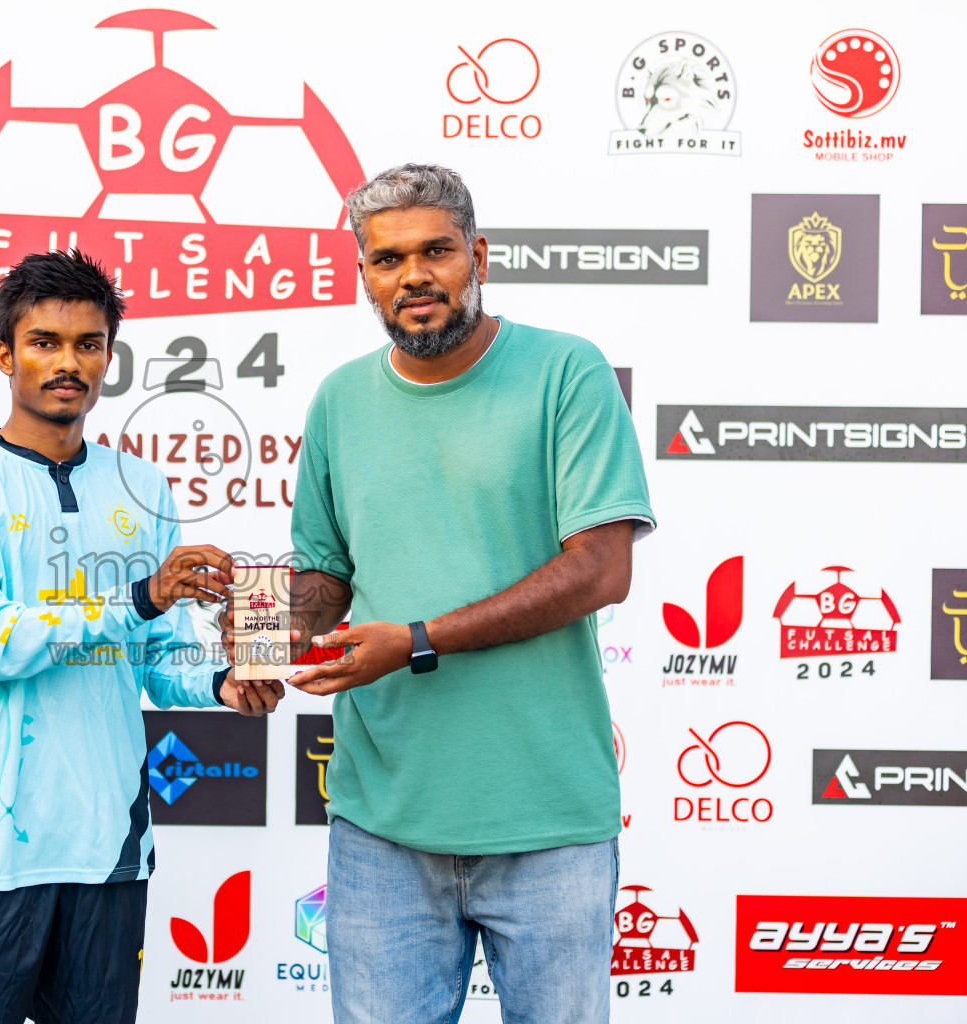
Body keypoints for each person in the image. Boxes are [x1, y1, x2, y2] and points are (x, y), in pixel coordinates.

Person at [285, 164, 655, 1023]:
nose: (412, 276)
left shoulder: (568, 372)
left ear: (477, 255)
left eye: (435, 251)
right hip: (383, 823)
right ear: (365, 275)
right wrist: (258, 646)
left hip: (548, 819)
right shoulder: (340, 400)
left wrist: (418, 639)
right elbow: (321, 572)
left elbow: (602, 567)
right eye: (386, 260)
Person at [0, 250, 283, 1024]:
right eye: (44, 343)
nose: (67, 363)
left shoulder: (142, 485)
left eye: (88, 344)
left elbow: (156, 657)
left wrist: (221, 683)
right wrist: (141, 595)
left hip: (111, 846)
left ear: (109, 354)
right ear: (5, 355)